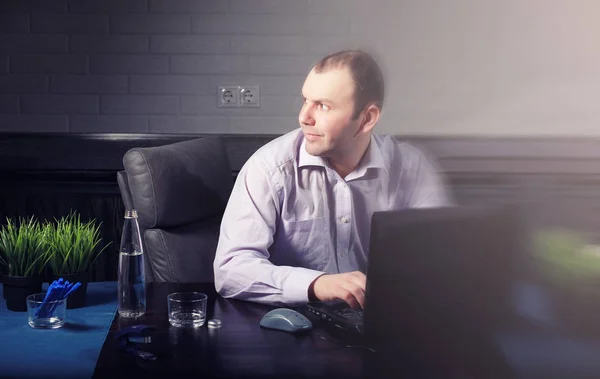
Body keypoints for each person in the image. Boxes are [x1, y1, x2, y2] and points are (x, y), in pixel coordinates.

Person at [213, 49, 452, 309]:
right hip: (289, 328)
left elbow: (442, 259)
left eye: (323, 106)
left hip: (385, 323)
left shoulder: (412, 167)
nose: (304, 117)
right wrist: (317, 284)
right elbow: (230, 270)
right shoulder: (268, 168)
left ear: (367, 118)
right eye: (305, 100)